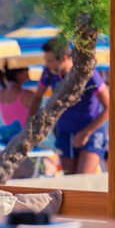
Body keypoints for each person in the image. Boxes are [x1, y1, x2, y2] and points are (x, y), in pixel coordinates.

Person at [29, 36, 109, 175]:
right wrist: (29, 127)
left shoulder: (88, 73)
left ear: (64, 58)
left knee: (83, 180)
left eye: (50, 61)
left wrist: (86, 132)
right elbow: (37, 98)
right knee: (70, 182)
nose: (47, 65)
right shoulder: (49, 72)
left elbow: (109, 107)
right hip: (65, 134)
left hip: (91, 134)